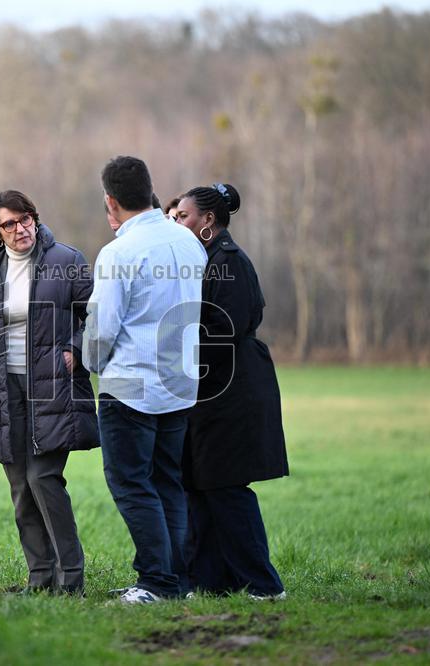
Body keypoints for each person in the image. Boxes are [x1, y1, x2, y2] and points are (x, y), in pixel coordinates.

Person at [84, 156, 208, 604]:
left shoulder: (119, 252)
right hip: (180, 384)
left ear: (110, 202)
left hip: (132, 386)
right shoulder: (190, 243)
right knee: (167, 483)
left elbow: (102, 327)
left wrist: (91, 363)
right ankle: (175, 581)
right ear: (151, 190)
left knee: (132, 485)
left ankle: (156, 581)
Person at [0, 189, 98, 594]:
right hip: (5, 389)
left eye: (25, 219)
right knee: (20, 486)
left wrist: (76, 349)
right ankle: (40, 579)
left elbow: (92, 316)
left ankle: (70, 580)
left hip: (53, 386)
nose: (20, 229)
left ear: (35, 218)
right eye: (10, 223)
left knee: (43, 478)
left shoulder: (66, 261)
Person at [175, 182, 288, 599]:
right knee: (200, 483)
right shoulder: (202, 261)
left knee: (226, 486)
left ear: (208, 220)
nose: (177, 222)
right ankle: (209, 581)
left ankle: (263, 584)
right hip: (206, 392)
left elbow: (223, 329)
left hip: (233, 390)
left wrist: (176, 348)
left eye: (183, 216)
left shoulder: (230, 262)